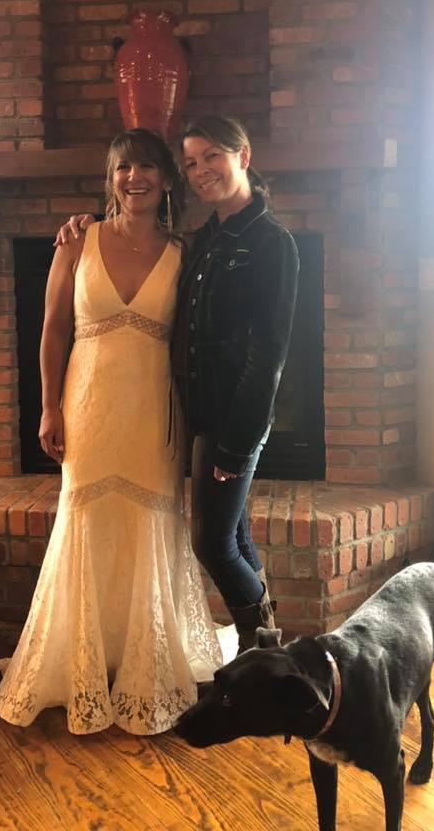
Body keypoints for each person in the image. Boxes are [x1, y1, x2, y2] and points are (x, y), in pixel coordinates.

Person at [0, 129, 222, 736]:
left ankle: (142, 659)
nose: (134, 178)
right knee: (89, 522)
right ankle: (85, 661)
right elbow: (52, 330)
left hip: (153, 415)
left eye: (147, 167)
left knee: (147, 522)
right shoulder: (78, 241)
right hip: (87, 407)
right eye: (123, 168)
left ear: (167, 180)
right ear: (111, 178)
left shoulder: (184, 253)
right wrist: (49, 409)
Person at [57, 116, 299, 654]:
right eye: (191, 162)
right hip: (196, 413)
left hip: (233, 418)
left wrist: (236, 444)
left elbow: (268, 356)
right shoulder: (204, 239)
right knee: (232, 533)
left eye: (212, 156)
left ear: (243, 155)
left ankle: (264, 645)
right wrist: (84, 223)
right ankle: (265, 646)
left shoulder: (272, 242)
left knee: (212, 543)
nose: (201, 169)